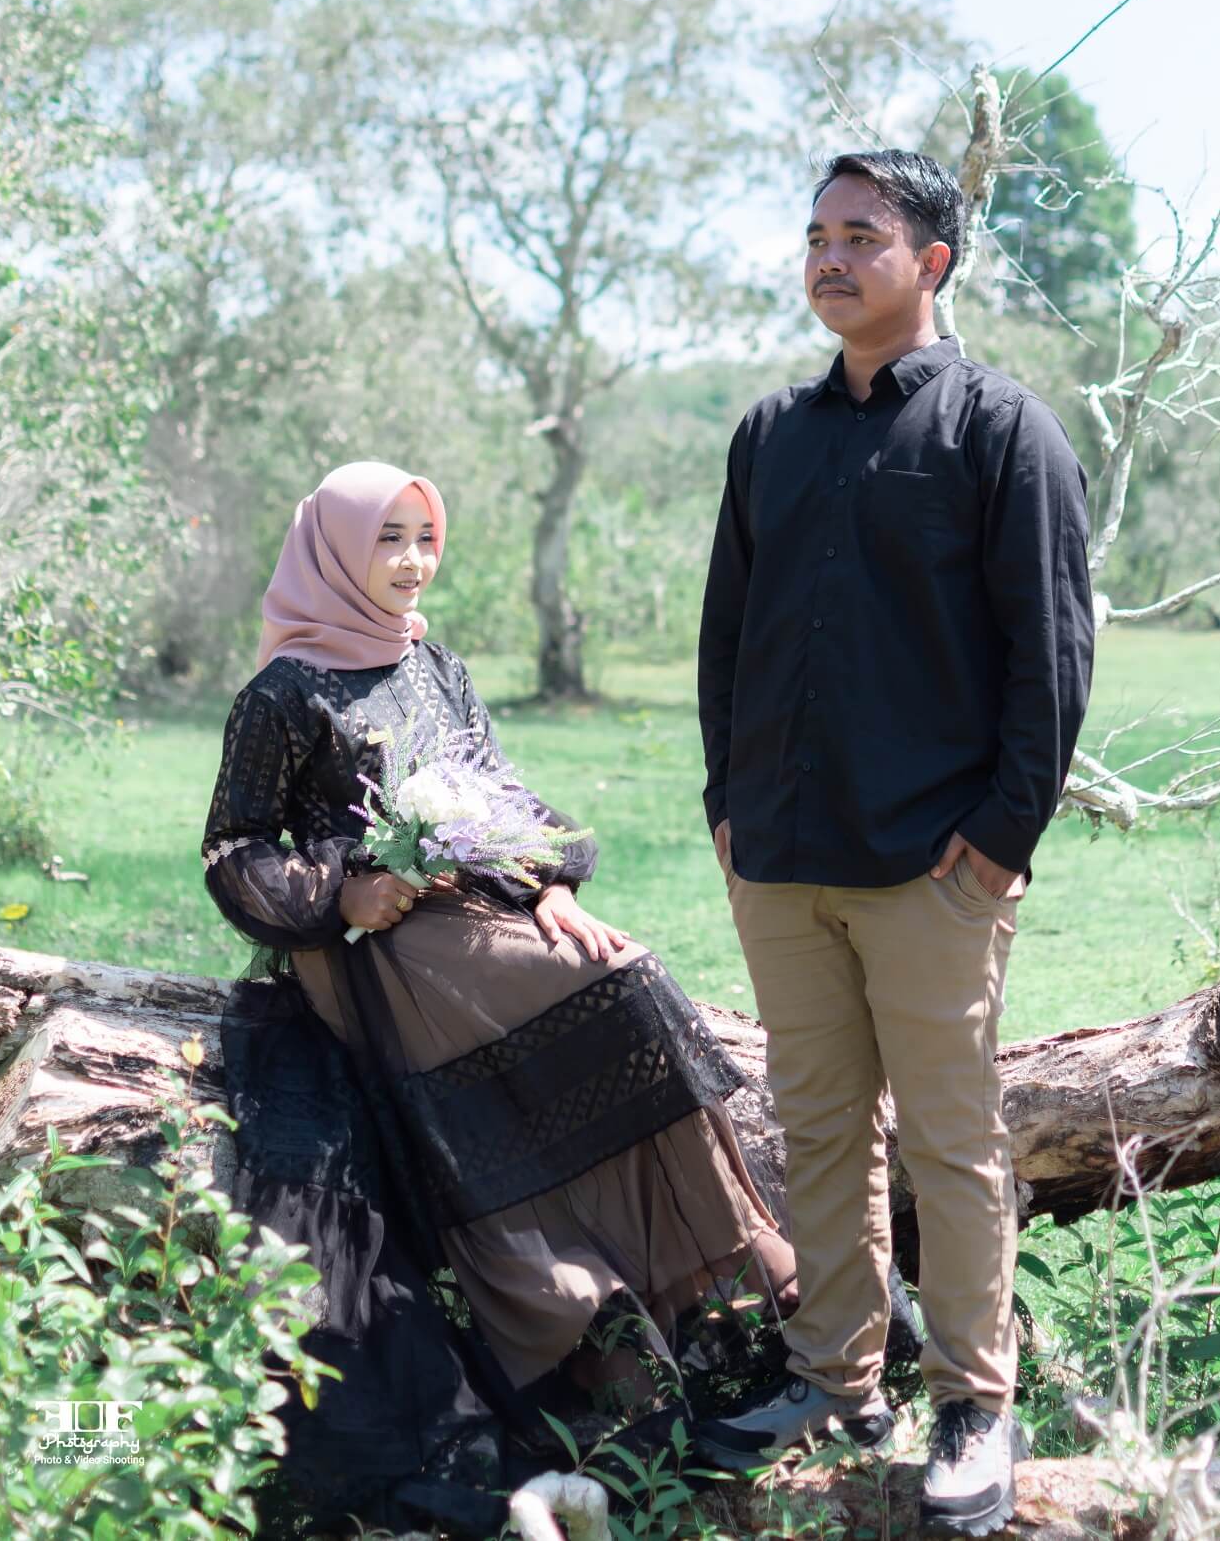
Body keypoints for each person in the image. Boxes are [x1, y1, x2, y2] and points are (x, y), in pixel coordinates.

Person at [203, 460, 793, 1537]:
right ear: (334, 548)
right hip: (370, 949)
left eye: (424, 538)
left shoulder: (436, 664)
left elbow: (503, 795)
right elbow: (232, 848)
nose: (411, 562)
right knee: (602, 995)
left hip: (470, 911)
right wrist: (342, 892)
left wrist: (552, 884)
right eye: (387, 539)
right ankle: (585, 1335)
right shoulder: (283, 693)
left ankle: (739, 1295)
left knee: (622, 976)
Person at [694, 149, 1096, 1536]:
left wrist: (999, 837)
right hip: (781, 855)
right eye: (816, 235)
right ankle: (832, 1379)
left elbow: (1051, 655)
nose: (829, 258)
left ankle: (974, 1404)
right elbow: (726, 640)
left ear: (930, 262)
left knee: (949, 1140)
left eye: (860, 236)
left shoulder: (1003, 431)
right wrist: (727, 802)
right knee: (816, 1131)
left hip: (934, 864)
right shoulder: (769, 434)